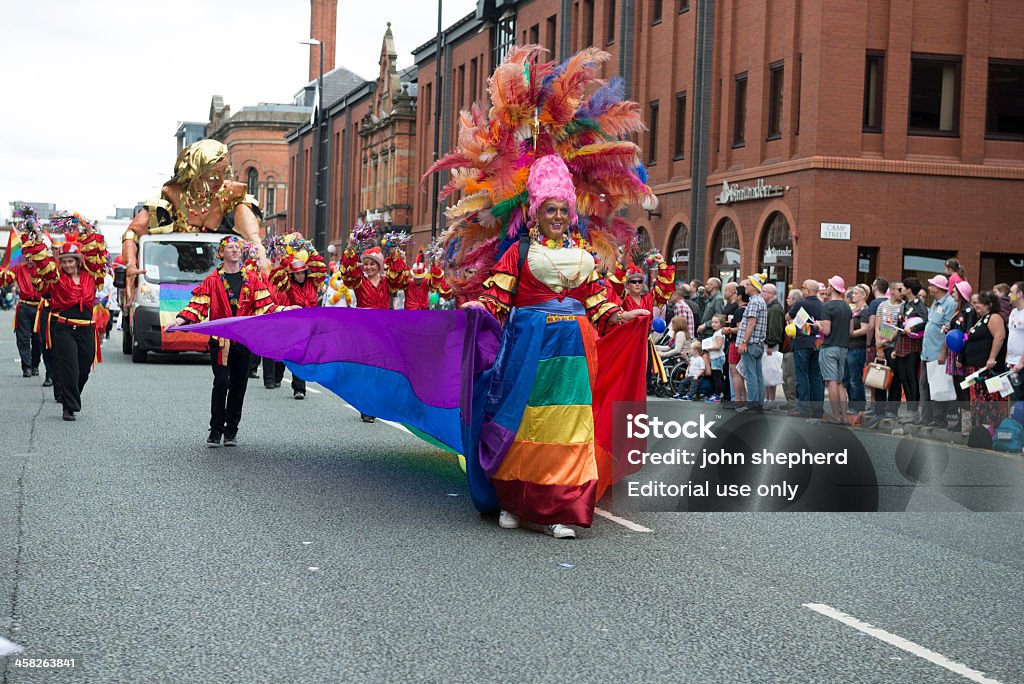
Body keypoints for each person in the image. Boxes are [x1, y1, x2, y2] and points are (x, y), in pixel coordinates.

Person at [462, 154, 648, 539]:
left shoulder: (584, 256)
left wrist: (619, 316)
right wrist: (479, 306)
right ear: (536, 213)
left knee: (569, 424)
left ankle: (565, 507)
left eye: (564, 209)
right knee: (525, 421)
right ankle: (516, 501)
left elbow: (597, 302)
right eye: (551, 209)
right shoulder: (521, 252)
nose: (559, 216)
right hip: (528, 348)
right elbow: (498, 298)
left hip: (574, 352)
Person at [172, 236, 291, 446]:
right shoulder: (212, 280)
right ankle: (216, 429)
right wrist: (180, 320)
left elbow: (265, 306)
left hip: (244, 340)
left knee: (238, 385)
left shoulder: (252, 279)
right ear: (222, 253)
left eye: (238, 247)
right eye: (230, 247)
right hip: (220, 341)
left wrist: (285, 311)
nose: (235, 250)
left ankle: (231, 431)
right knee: (221, 382)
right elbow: (199, 304)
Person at [121, 140, 265, 284]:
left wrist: (262, 260)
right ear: (196, 173)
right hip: (168, 279)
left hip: (219, 280)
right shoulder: (170, 197)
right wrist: (131, 265)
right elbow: (132, 233)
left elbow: (254, 241)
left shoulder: (232, 196)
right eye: (213, 175)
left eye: (224, 173)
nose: (220, 181)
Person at [22, 223, 107, 421]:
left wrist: (90, 229)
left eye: (71, 261)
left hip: (87, 329)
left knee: (84, 369)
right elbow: (41, 259)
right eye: (65, 261)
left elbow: (96, 248)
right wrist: (36, 234)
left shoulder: (91, 276)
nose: (68, 265)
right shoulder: (56, 277)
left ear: (78, 261)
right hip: (64, 328)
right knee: (70, 366)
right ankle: (69, 407)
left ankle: (69, 394)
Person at [269, 244, 327, 399]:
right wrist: (284, 257)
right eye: (297, 273)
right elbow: (276, 276)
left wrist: (310, 249)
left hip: (311, 324)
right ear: (293, 275)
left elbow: (321, 267)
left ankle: (299, 388)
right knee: (287, 354)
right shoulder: (288, 285)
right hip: (293, 324)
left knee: (302, 355)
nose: (300, 276)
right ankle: (285, 381)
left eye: (302, 272)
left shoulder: (313, 282)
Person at [1, 260, 52, 385]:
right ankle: (27, 367)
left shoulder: (44, 268)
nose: (30, 259)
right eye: (28, 256)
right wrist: (4, 271)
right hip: (24, 306)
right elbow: (5, 280)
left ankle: (35, 365)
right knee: (22, 338)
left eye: (33, 256)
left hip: (40, 307)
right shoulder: (18, 268)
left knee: (38, 339)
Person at [963, 291, 1009, 429]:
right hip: (975, 368)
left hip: (989, 369)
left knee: (990, 398)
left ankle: (990, 428)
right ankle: (979, 429)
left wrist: (992, 357)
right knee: (977, 399)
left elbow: (999, 336)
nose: (976, 306)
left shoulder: (994, 317)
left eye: (979, 303)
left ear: (989, 305)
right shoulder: (981, 319)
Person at [919, 274, 958, 429]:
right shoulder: (935, 303)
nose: (929, 288)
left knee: (938, 387)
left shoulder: (950, 304)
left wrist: (943, 351)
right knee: (925, 385)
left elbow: (948, 329)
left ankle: (939, 420)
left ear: (938, 288)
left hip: (938, 353)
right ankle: (926, 418)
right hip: (927, 352)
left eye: (932, 285)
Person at [816, 275, 852, 423]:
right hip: (843, 347)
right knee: (840, 382)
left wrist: (819, 325)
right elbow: (850, 331)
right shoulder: (847, 306)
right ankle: (844, 416)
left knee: (831, 381)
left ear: (832, 288)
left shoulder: (827, 306)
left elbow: (826, 331)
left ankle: (835, 416)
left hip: (829, 347)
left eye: (829, 285)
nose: (827, 287)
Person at [943, 278, 977, 433]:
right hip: (953, 352)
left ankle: (967, 422)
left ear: (962, 293)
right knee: (957, 386)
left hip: (961, 355)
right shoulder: (958, 310)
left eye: (955, 290)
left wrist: (961, 358)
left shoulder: (969, 310)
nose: (952, 293)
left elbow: (967, 335)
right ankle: (960, 419)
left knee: (963, 388)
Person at [893, 277, 927, 427]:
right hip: (901, 343)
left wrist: (913, 329)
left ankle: (914, 411)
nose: (900, 291)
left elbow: (925, 322)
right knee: (903, 377)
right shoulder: (904, 305)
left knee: (911, 376)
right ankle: (909, 410)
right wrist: (895, 347)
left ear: (908, 289)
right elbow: (899, 324)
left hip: (913, 343)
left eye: (902, 289)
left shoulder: (920, 305)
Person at [788, 279, 824, 418]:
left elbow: (788, 316)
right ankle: (817, 409)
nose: (802, 290)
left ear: (807, 291)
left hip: (803, 342)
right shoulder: (822, 305)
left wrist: (798, 320)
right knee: (816, 376)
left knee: (802, 375)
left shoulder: (801, 303)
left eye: (803, 288)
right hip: (818, 342)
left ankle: (803, 408)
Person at [736, 273, 768, 413]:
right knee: (758, 374)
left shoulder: (754, 302)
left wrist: (743, 342)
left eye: (747, 284)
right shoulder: (761, 301)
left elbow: (751, 324)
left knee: (751, 375)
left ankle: (752, 404)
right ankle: (758, 403)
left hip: (751, 343)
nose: (745, 287)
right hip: (758, 344)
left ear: (754, 287)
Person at [845, 284, 870, 416]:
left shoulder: (865, 310)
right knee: (847, 378)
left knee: (855, 378)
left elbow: (865, 329)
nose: (853, 295)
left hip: (857, 347)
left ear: (863, 295)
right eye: (853, 293)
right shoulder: (854, 309)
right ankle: (851, 403)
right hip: (849, 346)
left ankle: (858, 405)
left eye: (855, 293)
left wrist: (851, 333)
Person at [761, 283, 786, 405]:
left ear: (771, 294)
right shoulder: (770, 307)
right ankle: (767, 398)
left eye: (764, 291)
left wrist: (770, 344)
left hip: (771, 344)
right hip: (768, 343)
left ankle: (771, 399)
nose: (761, 293)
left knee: (771, 372)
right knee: (766, 372)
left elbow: (775, 329)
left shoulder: (775, 309)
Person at [1006, 281, 1024, 401]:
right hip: (1010, 363)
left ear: (1019, 294)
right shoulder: (1013, 312)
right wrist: (1007, 360)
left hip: (1020, 364)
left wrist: (1021, 362)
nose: (1008, 295)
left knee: (1019, 399)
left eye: (1011, 292)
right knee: (1012, 400)